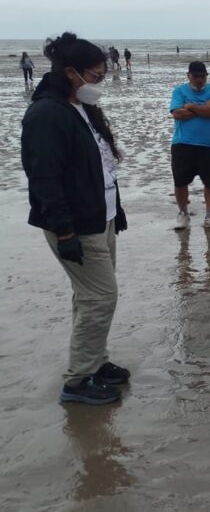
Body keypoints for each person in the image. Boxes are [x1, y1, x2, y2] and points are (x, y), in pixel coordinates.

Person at [20, 32, 130, 405]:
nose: (100, 81)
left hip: (102, 217)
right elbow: (44, 179)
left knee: (89, 297)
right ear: (71, 72)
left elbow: (101, 166)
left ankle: (94, 363)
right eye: (96, 75)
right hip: (76, 226)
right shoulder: (47, 114)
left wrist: (118, 211)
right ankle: (78, 381)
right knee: (101, 298)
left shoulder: (79, 107)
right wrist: (65, 230)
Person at [169, 61, 210, 230]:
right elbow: (177, 113)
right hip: (183, 143)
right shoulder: (179, 90)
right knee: (180, 182)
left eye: (203, 76)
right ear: (189, 76)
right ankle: (183, 213)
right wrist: (203, 109)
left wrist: (191, 106)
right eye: (196, 76)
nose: (200, 79)